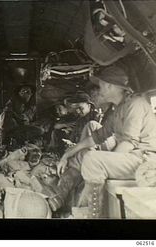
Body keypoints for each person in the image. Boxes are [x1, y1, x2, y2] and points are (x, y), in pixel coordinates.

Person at [47, 65, 156, 218]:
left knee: (92, 159)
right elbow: (97, 137)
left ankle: (93, 215)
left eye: (101, 85)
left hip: (144, 162)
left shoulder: (135, 104)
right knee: (84, 154)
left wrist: (104, 160)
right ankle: (61, 197)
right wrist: (67, 154)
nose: (99, 89)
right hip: (131, 158)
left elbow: (128, 143)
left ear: (110, 86)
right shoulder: (118, 109)